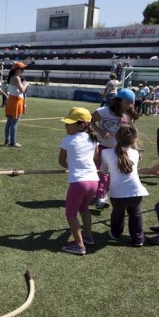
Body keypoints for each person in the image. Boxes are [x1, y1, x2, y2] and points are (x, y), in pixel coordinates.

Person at [58, 108, 99, 255]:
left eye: (70, 124)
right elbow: (94, 159)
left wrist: (70, 167)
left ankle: (80, 246)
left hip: (79, 182)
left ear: (82, 125)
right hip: (94, 180)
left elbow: (61, 161)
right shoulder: (93, 139)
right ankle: (88, 237)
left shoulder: (67, 140)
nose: (66, 126)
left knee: (70, 214)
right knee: (84, 209)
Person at [100, 124, 149, 247]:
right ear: (134, 140)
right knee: (135, 214)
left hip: (117, 193)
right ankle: (138, 239)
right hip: (136, 191)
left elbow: (104, 170)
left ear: (116, 137)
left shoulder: (106, 152)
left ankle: (115, 233)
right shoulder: (136, 153)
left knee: (117, 213)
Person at [90, 88, 140, 209]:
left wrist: (136, 149)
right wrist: (100, 130)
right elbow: (90, 121)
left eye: (131, 103)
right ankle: (101, 197)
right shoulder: (103, 111)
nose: (129, 105)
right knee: (102, 172)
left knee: (113, 173)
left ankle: (103, 193)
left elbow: (131, 134)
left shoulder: (128, 115)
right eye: (127, 102)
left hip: (119, 149)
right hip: (102, 146)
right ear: (118, 101)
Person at [5, 61, 30, 147]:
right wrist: (25, 84)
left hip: (11, 101)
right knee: (14, 123)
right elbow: (22, 90)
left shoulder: (12, 77)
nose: (23, 71)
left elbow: (19, 90)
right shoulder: (16, 78)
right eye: (21, 69)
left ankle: (7, 141)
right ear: (16, 70)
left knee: (9, 123)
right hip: (16, 102)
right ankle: (13, 141)